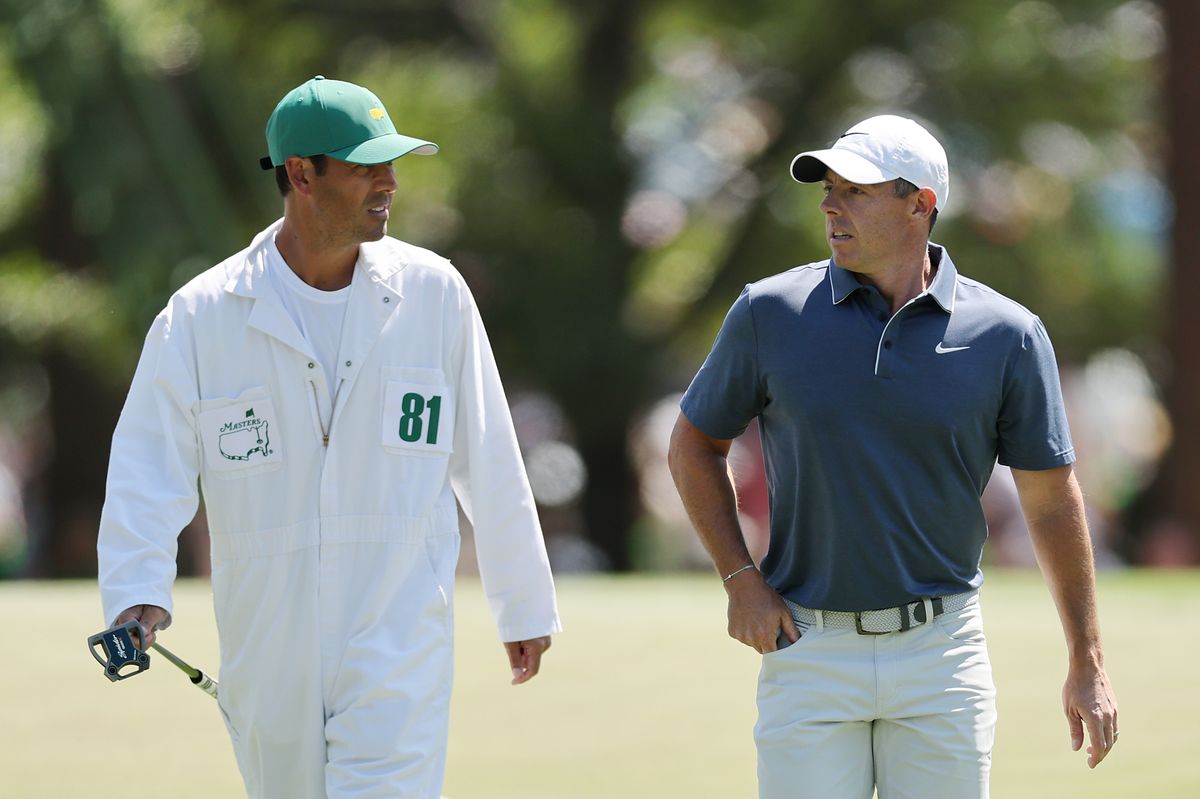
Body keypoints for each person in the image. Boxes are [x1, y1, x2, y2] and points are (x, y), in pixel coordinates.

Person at [97, 75, 561, 799]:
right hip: (265, 643)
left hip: (398, 633)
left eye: (391, 163)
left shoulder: (434, 293)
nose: (390, 182)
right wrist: (136, 592)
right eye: (366, 166)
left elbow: (488, 452)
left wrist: (522, 602)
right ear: (301, 174)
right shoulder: (201, 315)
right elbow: (147, 466)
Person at [667, 114, 1118, 798]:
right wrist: (739, 577)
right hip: (808, 648)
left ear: (920, 204)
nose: (830, 205)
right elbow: (694, 445)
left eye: (856, 190)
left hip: (942, 654)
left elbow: (1052, 500)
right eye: (829, 188)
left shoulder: (1009, 334)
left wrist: (1087, 659)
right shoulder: (769, 312)